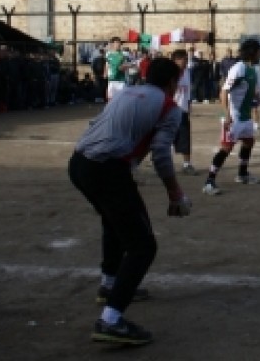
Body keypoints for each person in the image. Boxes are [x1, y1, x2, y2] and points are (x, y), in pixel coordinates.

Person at [68, 57, 191, 346]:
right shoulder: (168, 107)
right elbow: (161, 154)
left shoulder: (125, 91)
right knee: (143, 246)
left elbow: (96, 124)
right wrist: (175, 192)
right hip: (106, 169)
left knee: (112, 223)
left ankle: (109, 284)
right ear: (172, 83)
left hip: (79, 163)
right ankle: (110, 320)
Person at [203, 39, 260, 194]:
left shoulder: (252, 70)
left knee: (248, 142)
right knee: (226, 148)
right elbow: (224, 91)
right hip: (234, 117)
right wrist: (226, 114)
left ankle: (242, 174)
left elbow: (251, 90)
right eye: (259, 51)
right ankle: (209, 182)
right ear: (252, 53)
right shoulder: (238, 69)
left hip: (246, 118)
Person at [171, 49, 198, 175]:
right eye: (183, 59)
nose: (185, 62)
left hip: (183, 110)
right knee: (166, 137)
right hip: (170, 111)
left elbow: (187, 92)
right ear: (175, 60)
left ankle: (187, 164)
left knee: (185, 137)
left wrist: (188, 104)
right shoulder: (170, 73)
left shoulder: (187, 72)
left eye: (186, 59)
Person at [104, 37, 130, 101]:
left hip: (121, 80)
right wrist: (105, 72)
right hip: (111, 80)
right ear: (113, 44)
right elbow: (107, 64)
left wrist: (122, 67)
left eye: (119, 43)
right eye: (117, 43)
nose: (118, 45)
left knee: (121, 99)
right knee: (110, 99)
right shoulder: (108, 54)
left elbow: (128, 65)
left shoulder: (124, 54)